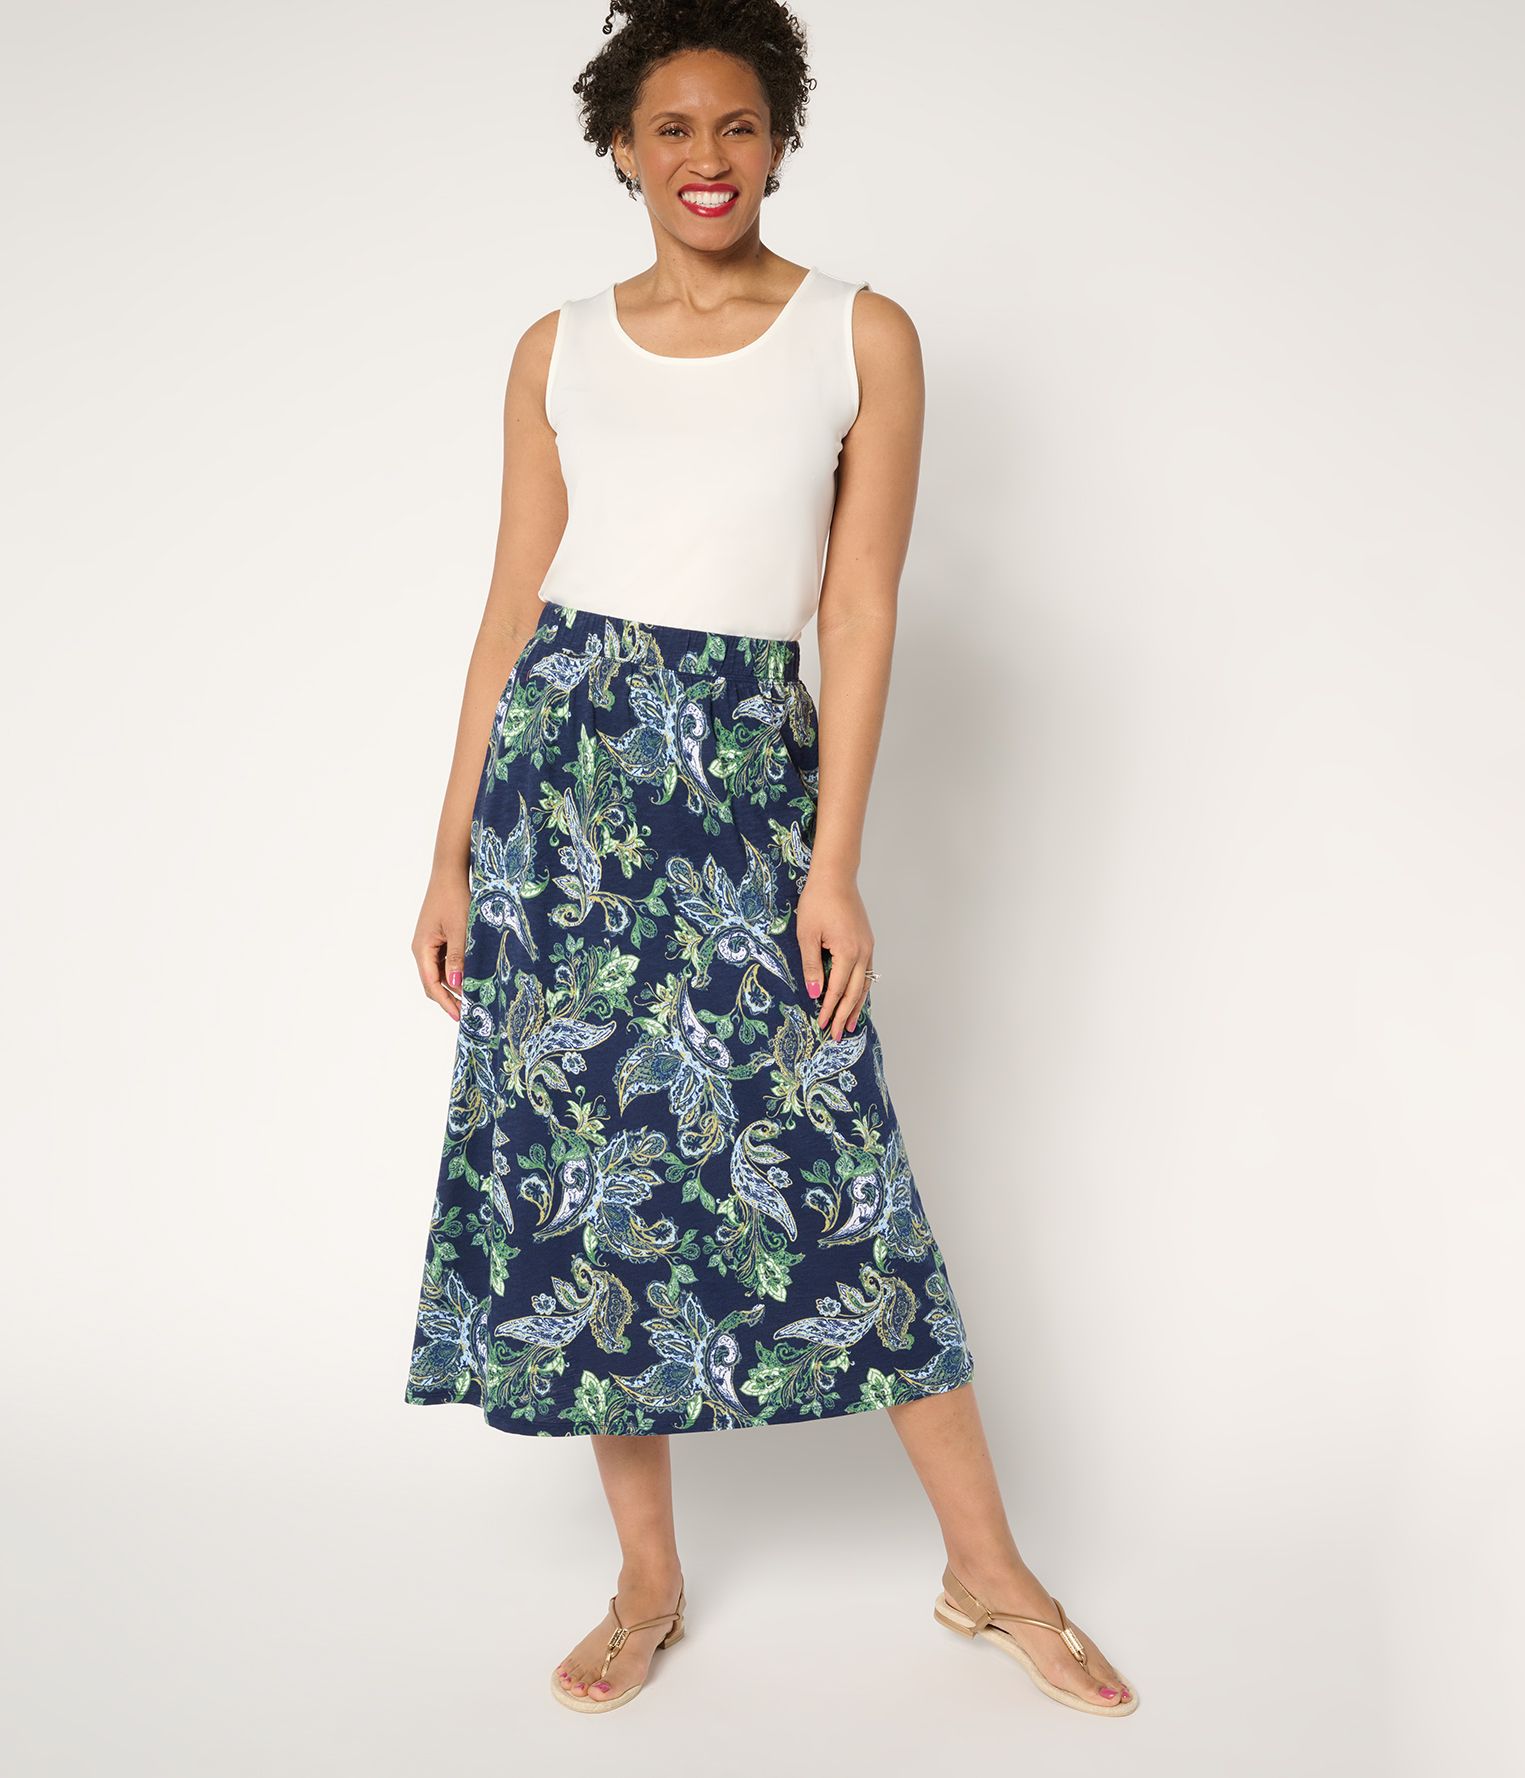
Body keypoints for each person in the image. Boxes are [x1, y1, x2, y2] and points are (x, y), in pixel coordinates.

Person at [403, 0, 1137, 1719]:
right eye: (671, 128)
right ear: (621, 148)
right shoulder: (557, 348)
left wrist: (834, 862)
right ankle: (647, 1581)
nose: (706, 158)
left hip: (744, 782)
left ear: (781, 140)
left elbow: (857, 608)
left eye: (736, 124)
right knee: (593, 1177)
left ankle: (989, 1570)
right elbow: (509, 612)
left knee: (842, 1159)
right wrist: (449, 858)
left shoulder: (858, 334)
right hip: (561, 796)